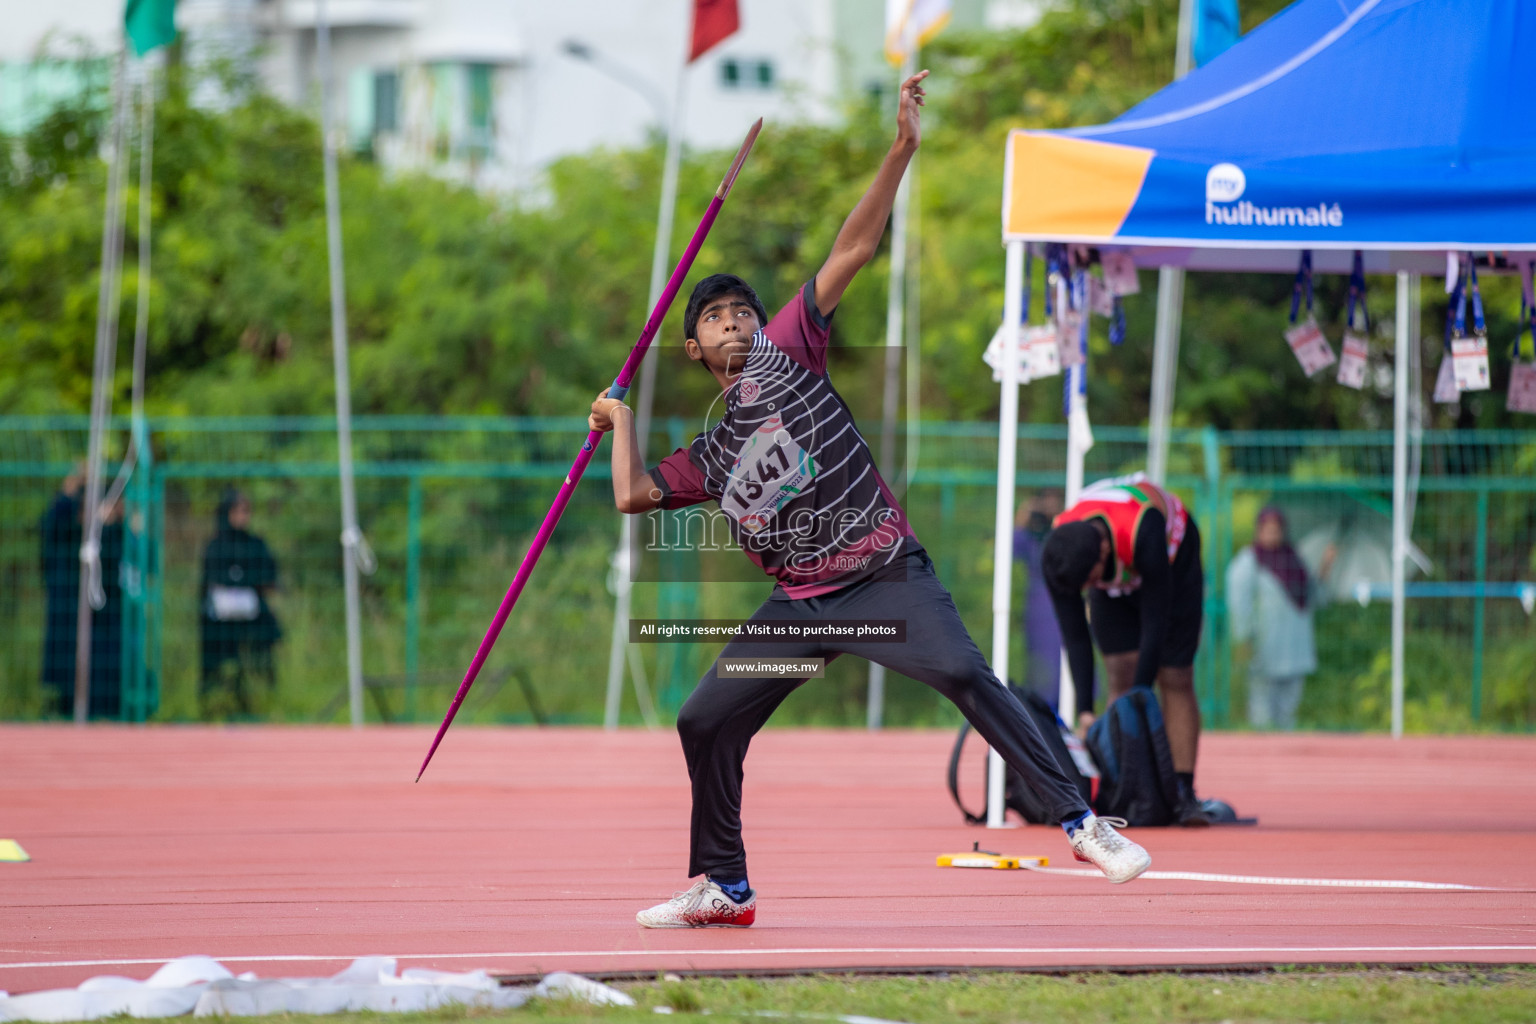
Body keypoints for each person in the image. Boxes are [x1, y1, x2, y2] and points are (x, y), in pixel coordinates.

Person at [588, 71, 1151, 929]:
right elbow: (631, 493)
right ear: (694, 348)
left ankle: (1082, 821)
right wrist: (620, 418)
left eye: (743, 311)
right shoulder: (707, 452)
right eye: (716, 319)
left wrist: (900, 151)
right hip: (801, 606)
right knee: (704, 720)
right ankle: (724, 883)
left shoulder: (785, 351)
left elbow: (849, 251)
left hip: (885, 578)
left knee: (964, 671)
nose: (735, 323)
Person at [1040, 472, 1209, 825]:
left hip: (1173, 561)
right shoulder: (1059, 551)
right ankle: (1124, 786)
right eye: (1089, 586)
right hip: (1114, 557)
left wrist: (1142, 699)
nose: (1093, 587)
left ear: (1103, 553)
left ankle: (1182, 790)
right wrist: (1086, 710)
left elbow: (1155, 624)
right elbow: (1075, 637)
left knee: (1174, 674)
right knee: (1120, 669)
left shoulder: (1143, 531)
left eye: (1094, 580)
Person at [1225, 506, 1335, 730]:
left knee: (1288, 712)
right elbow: (1239, 602)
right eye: (1268, 530)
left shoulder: (1294, 558)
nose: (1273, 535)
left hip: (1295, 645)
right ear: (1259, 530)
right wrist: (1244, 637)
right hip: (1264, 646)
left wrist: (1325, 567)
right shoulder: (1249, 562)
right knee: (1261, 711)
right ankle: (1261, 761)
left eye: (1277, 530)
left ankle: (1285, 761)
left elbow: (1313, 597)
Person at [39, 466, 125, 719]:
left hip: (104, 620)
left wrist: (109, 522)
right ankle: (61, 710)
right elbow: (52, 523)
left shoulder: (110, 535)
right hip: (67, 618)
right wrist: (72, 484)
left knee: (104, 668)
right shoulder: (64, 533)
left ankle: (102, 712)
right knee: (64, 668)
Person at [200, 488, 282, 717]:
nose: (242, 516)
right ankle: (217, 704)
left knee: (263, 645)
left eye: (246, 511)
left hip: (252, 617)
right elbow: (209, 582)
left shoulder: (256, 544)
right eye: (237, 511)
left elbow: (269, 576)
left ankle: (262, 702)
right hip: (221, 621)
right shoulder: (215, 545)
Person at [1013, 490, 1064, 708]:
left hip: (1063, 602)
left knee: (1064, 660)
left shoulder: (1065, 534)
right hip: (1038, 607)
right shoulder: (1032, 539)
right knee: (1040, 662)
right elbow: (1011, 546)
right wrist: (1024, 514)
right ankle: (1041, 709)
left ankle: (1064, 708)